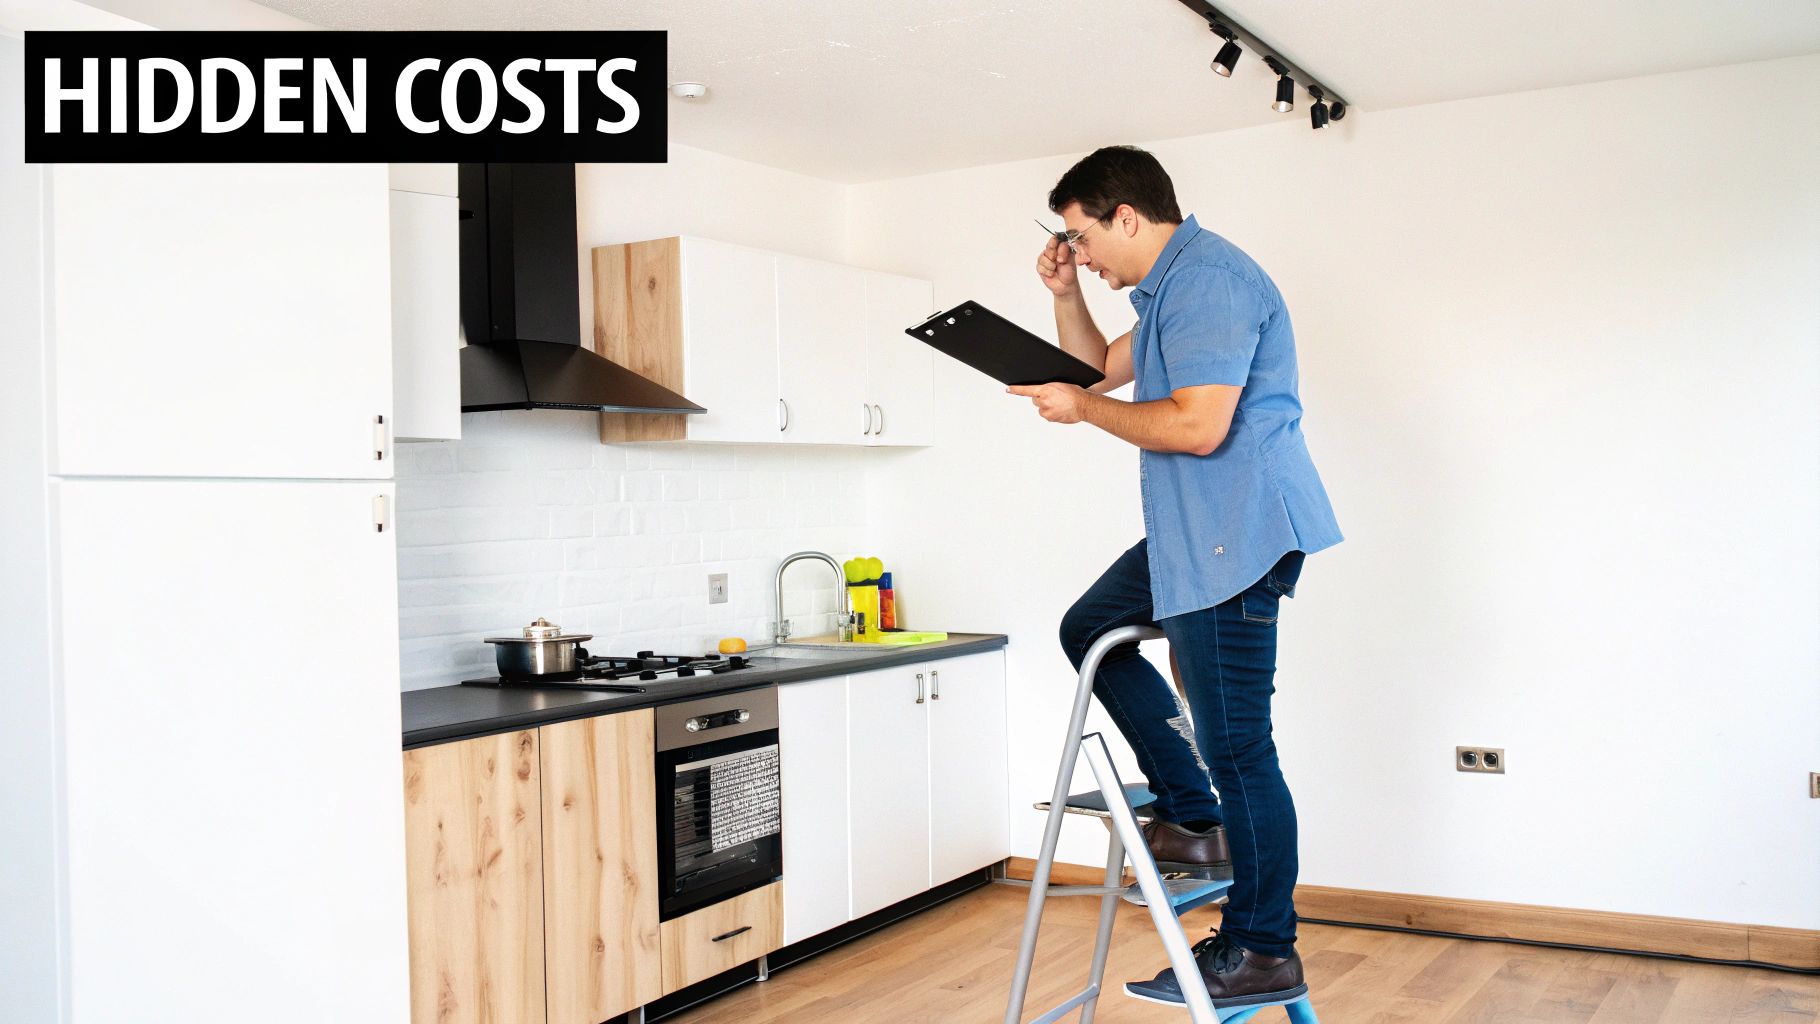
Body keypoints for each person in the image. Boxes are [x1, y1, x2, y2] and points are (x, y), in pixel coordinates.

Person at [1012, 145, 1343, 1009]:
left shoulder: (1208, 284)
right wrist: (1063, 298)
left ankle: (1264, 947)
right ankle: (1193, 816)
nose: (1078, 252)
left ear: (1126, 216)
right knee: (1089, 628)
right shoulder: (1168, 292)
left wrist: (1082, 410)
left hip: (1236, 539)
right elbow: (1094, 369)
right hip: (1192, 538)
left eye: (1081, 238)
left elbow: (1198, 428)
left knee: (1242, 750)